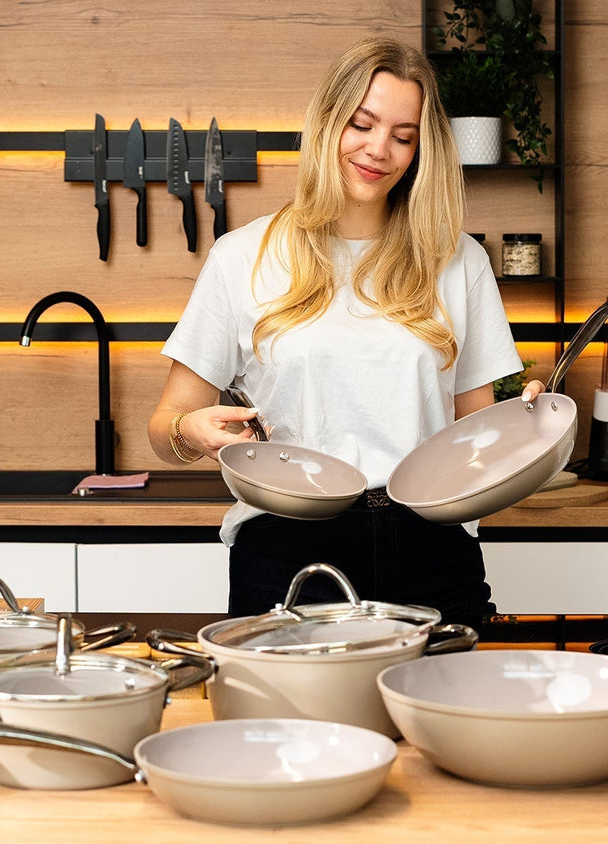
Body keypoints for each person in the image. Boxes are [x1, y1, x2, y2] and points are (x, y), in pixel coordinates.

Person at [147, 37, 544, 628]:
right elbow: (164, 429)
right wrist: (191, 430)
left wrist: (519, 432)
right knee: (292, 723)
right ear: (328, 121)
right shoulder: (242, 257)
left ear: (420, 150)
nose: (379, 149)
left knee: (444, 718)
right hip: (288, 551)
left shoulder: (459, 260)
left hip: (432, 547)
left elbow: (473, 438)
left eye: (403, 136)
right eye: (362, 124)